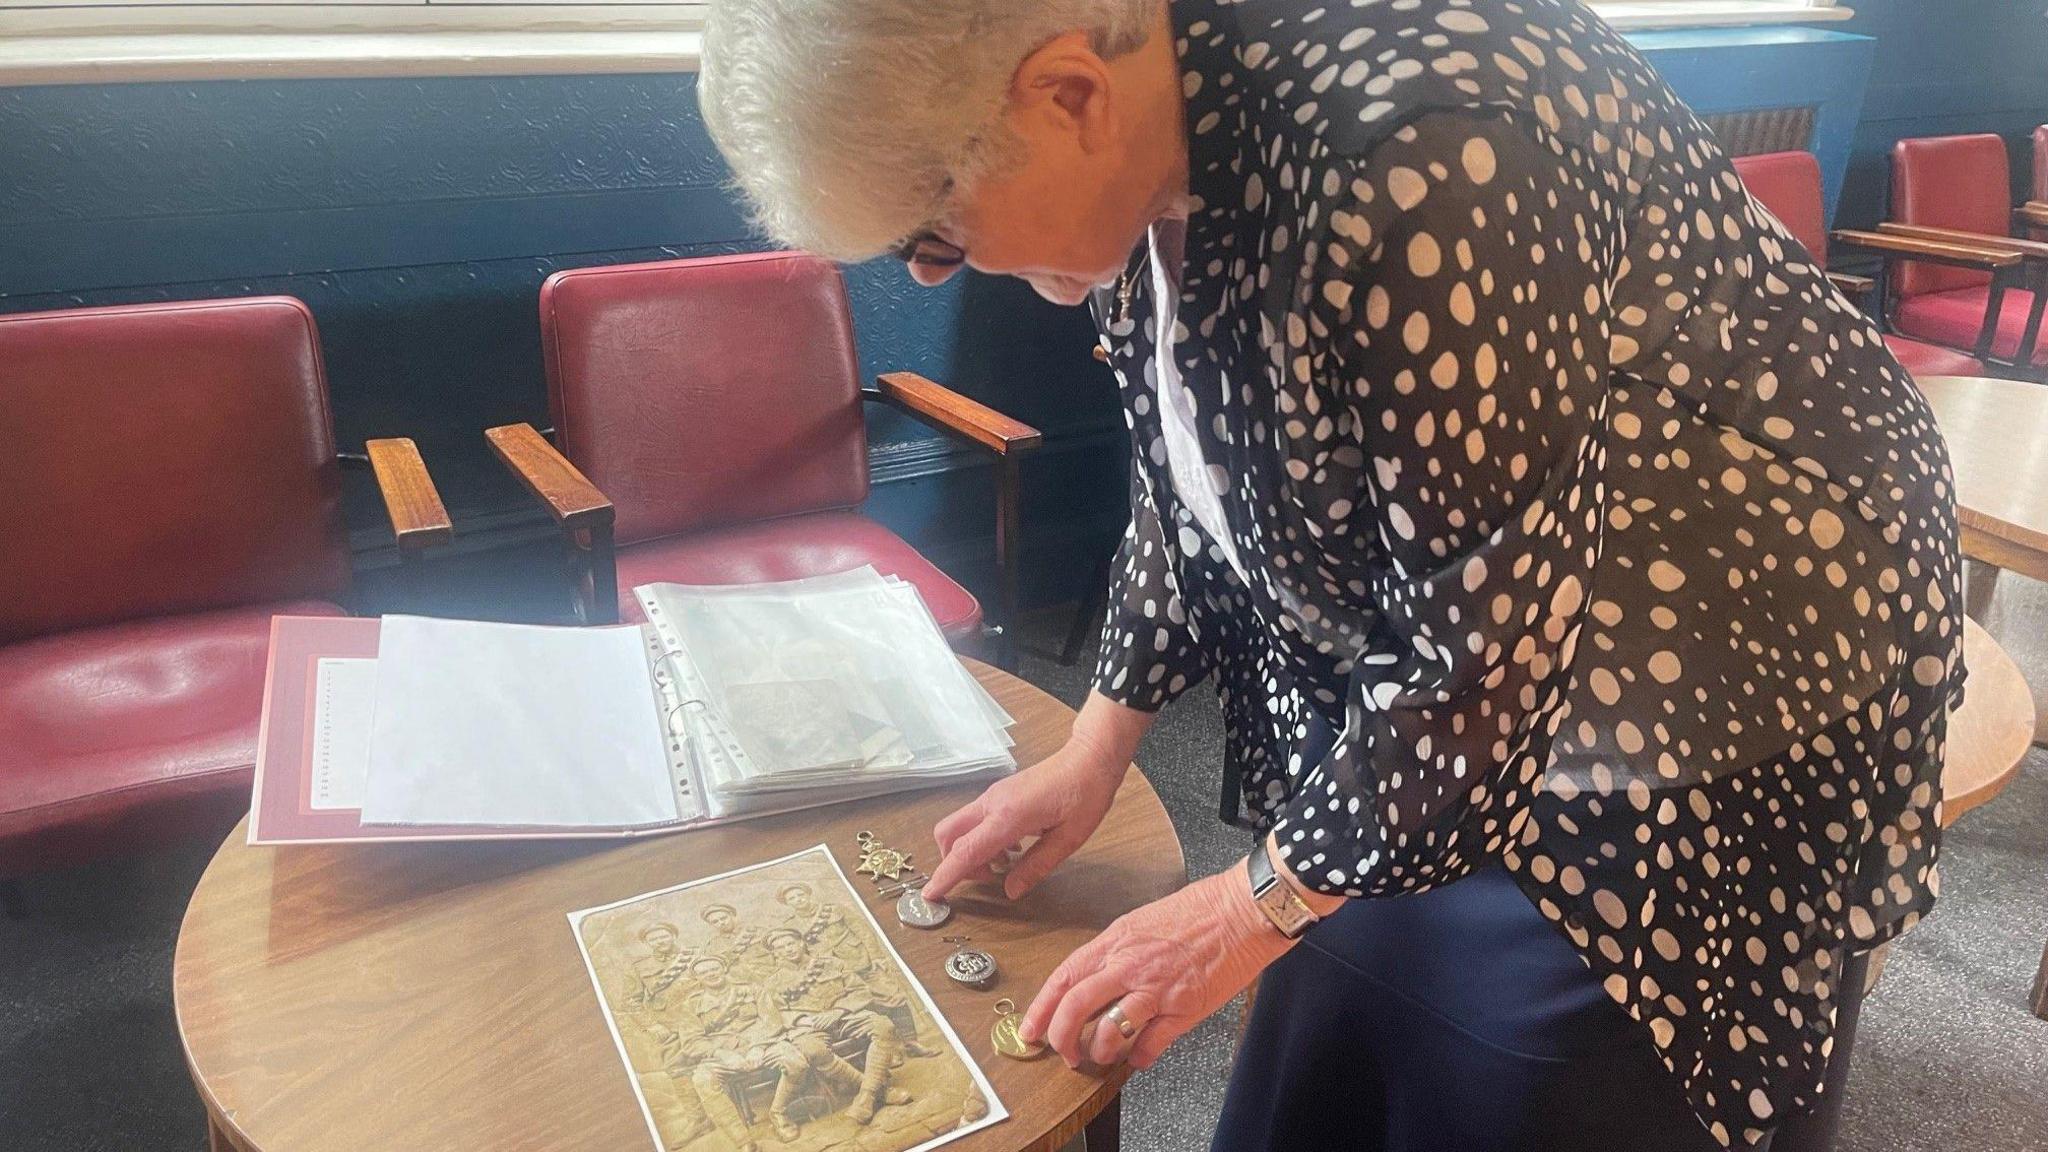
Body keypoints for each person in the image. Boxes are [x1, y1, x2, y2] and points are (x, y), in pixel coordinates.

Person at [698, 2, 1963, 1149]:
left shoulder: (1423, 145)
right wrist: (1097, 747)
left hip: (1720, 639)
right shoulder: (1138, 141)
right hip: (1474, 651)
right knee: (1338, 974)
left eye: (930, 231)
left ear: (1068, 95)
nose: (933, 268)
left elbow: (1488, 650)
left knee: (1538, 1076)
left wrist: (1249, 903)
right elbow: (1189, 474)